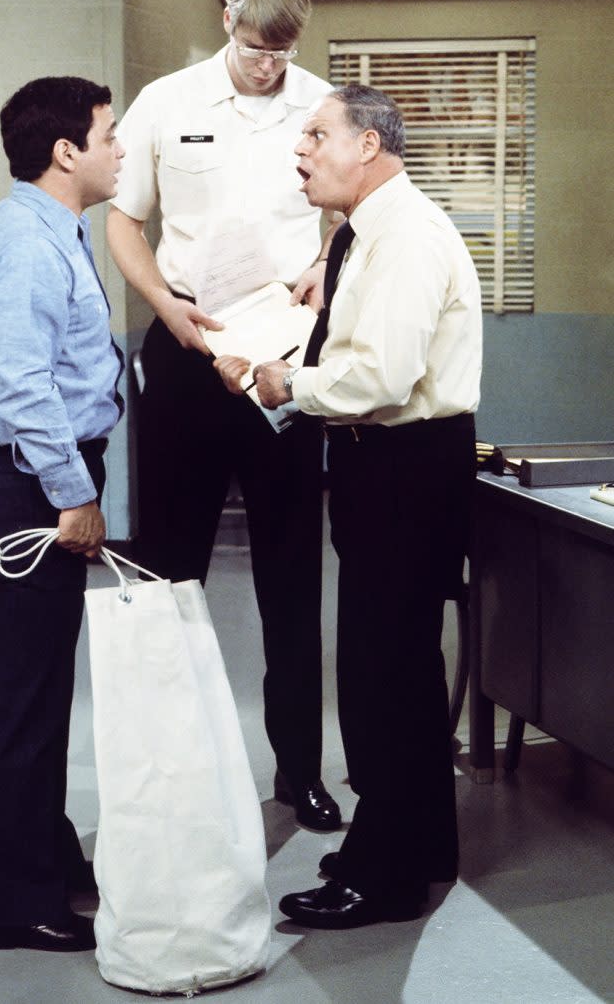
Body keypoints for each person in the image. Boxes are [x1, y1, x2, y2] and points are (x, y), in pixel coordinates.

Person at [106, 0, 341, 831]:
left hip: (279, 355)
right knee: (174, 576)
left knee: (290, 579)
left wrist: (320, 268)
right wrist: (162, 304)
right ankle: (175, 776)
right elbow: (125, 220)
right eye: (253, 47)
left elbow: (347, 210)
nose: (266, 64)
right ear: (228, 23)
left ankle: (300, 775)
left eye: (280, 50)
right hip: (187, 350)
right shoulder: (167, 101)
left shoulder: (319, 105)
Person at [254, 84, 482, 928]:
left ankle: (381, 878)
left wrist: (290, 383)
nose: (301, 150)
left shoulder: (409, 237)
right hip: (382, 465)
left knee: (383, 674)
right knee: (401, 670)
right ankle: (415, 846)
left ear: (370, 147)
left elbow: (382, 378)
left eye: (318, 134)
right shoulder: (362, 234)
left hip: (402, 465)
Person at [0, 76, 126, 951]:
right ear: (67, 152)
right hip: (34, 485)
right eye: (110, 133)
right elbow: (25, 385)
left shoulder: (53, 228)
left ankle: (42, 855)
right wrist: (76, 495)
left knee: (43, 689)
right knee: (29, 698)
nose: (121, 148)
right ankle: (14, 902)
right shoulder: (26, 242)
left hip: (39, 478)